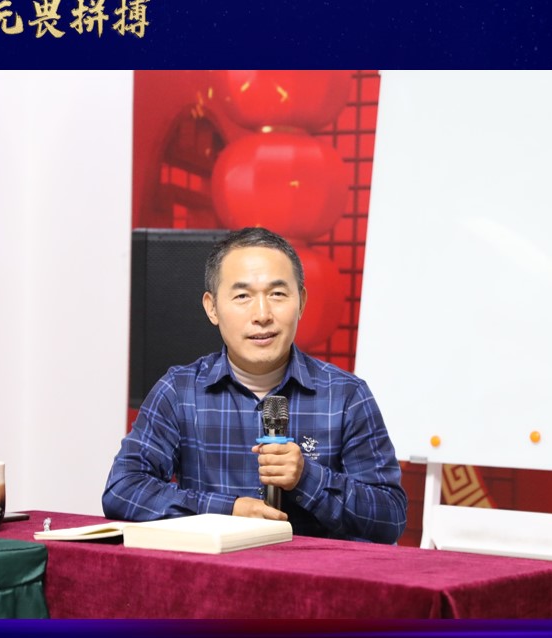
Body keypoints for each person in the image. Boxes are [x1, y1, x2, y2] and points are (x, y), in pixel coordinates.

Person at [102, 227, 407, 543]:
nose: (262, 315)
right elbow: (122, 490)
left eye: (277, 294)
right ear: (212, 308)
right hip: (211, 571)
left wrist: (307, 478)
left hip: (312, 573)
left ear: (301, 301)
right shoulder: (179, 392)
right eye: (242, 296)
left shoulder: (346, 395)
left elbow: (390, 517)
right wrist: (228, 510)